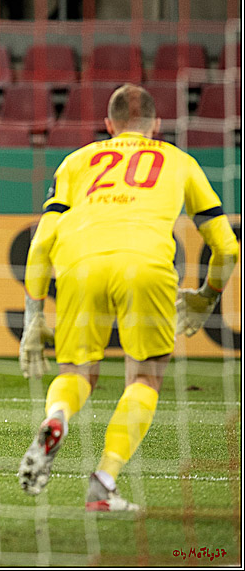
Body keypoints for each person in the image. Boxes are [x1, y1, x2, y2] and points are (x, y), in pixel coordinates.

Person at [17, 84, 239, 511]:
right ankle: (103, 483)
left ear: (108, 126)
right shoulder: (179, 161)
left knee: (78, 371)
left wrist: (33, 316)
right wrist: (207, 297)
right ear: (156, 125)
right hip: (146, 264)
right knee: (144, 378)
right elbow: (228, 247)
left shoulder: (77, 161)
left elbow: (42, 242)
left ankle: (57, 416)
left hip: (79, 262)